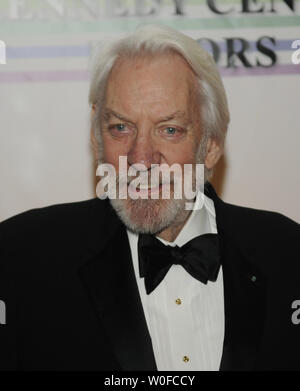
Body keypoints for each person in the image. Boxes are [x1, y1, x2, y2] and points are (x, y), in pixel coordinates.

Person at [0, 24, 299, 371]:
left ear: (211, 147)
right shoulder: (20, 259)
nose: (140, 159)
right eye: (120, 128)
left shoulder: (288, 256)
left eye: (169, 130)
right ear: (97, 141)